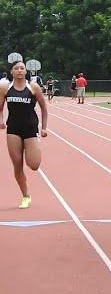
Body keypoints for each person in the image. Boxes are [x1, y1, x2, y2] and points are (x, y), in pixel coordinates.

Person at [0, 60, 48, 209]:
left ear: (26, 71)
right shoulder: (4, 87)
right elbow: (0, 107)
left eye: (22, 68)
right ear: (12, 72)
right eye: (16, 68)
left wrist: (44, 127)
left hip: (30, 128)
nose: (20, 70)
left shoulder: (33, 87)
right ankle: (26, 195)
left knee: (33, 165)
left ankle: (32, 149)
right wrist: (1, 121)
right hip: (13, 128)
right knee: (17, 164)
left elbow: (44, 108)